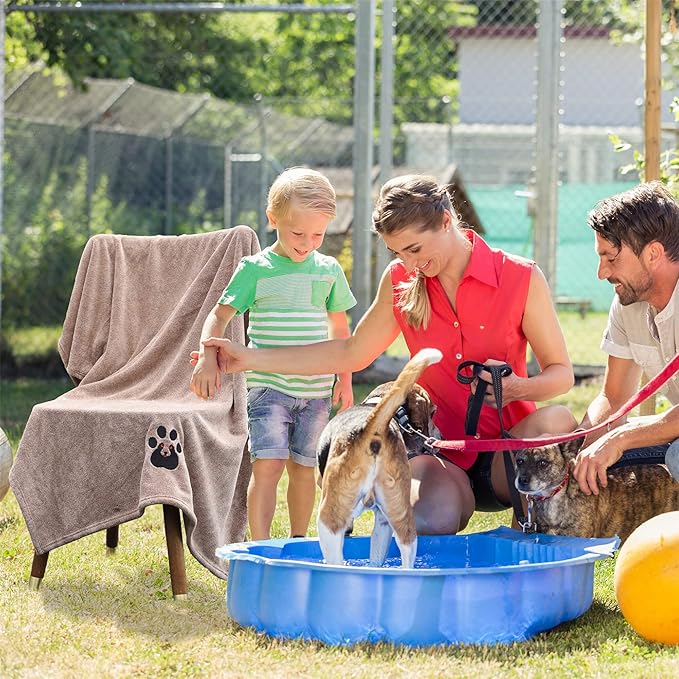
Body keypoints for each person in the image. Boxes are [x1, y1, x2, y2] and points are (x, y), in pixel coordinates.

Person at [195, 174, 576, 535]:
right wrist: (248, 358)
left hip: (505, 454)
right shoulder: (401, 279)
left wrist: (517, 389)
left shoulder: (520, 277)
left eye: (414, 249)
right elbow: (350, 352)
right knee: (430, 518)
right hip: (441, 454)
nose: (409, 264)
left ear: (446, 222)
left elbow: (561, 374)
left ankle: (527, 539)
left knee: (557, 420)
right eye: (397, 252)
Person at [190, 167, 356, 540]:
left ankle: (299, 542)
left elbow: (340, 332)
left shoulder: (328, 269)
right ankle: (261, 546)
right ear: (273, 219)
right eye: (298, 233)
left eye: (318, 234)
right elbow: (218, 316)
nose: (308, 242)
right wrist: (206, 357)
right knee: (268, 466)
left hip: (315, 389)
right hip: (267, 387)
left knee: (304, 467)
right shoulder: (255, 269)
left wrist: (343, 379)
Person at [573, 181, 679, 494]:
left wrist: (620, 438)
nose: (601, 273)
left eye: (611, 258)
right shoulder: (627, 302)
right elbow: (614, 398)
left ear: (654, 253)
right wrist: (576, 445)